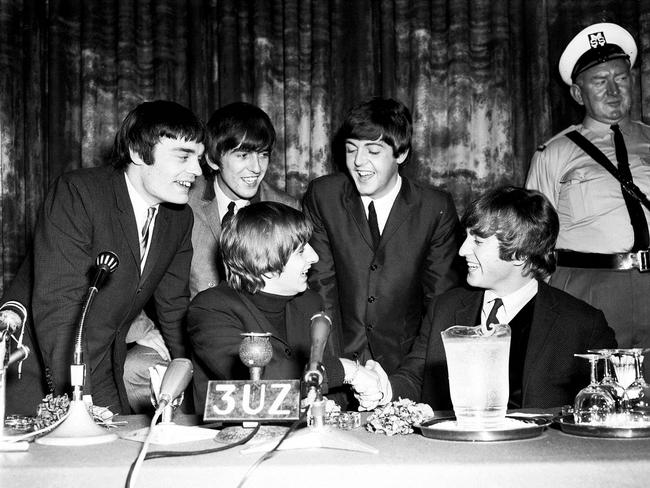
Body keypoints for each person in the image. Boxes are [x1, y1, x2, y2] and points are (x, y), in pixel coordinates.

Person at [0, 100, 204, 415]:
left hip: (101, 362)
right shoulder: (78, 193)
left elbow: (174, 309)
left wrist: (197, 399)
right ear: (138, 152)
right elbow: (59, 308)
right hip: (34, 368)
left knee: (114, 453)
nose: (196, 170)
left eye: (199, 158)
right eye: (183, 156)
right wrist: (79, 404)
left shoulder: (179, 219)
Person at [353, 187, 617, 411]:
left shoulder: (582, 325)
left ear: (520, 253)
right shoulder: (445, 308)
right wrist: (383, 388)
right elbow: (415, 377)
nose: (462, 250)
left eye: (477, 241)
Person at [123, 102, 299, 412]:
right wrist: (141, 329)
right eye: (243, 155)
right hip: (183, 339)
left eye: (263, 155)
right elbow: (131, 267)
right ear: (214, 159)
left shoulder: (287, 208)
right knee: (133, 369)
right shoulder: (178, 200)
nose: (256, 168)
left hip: (258, 348)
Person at [302, 97, 461, 381]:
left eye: (373, 151)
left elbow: (440, 303)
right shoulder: (323, 196)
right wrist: (336, 368)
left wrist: (411, 376)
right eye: (351, 150)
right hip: (337, 359)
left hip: (406, 366)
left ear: (401, 154)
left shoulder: (434, 208)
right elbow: (320, 287)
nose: (359, 162)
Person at [526, 22, 650, 351]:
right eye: (600, 81)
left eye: (621, 79)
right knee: (594, 390)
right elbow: (533, 240)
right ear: (579, 94)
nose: (613, 91)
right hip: (589, 288)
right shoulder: (554, 153)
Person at [187, 202, 371, 413]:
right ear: (265, 262)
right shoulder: (210, 310)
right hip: (234, 438)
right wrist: (346, 371)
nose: (315, 257)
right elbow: (263, 382)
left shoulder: (310, 303)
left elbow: (327, 382)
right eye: (301, 251)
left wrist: (360, 394)